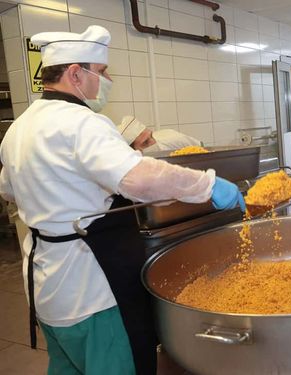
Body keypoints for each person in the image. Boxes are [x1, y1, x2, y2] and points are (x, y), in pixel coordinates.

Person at [0, 26, 244, 375]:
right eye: (100, 72)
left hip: (45, 286)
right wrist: (208, 184)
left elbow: (8, 189)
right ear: (75, 74)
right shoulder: (82, 123)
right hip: (91, 289)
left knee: (67, 365)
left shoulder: (19, 127)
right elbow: (139, 178)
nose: (106, 80)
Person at [118, 116, 202, 152]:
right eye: (145, 143)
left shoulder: (173, 140)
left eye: (151, 136)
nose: (153, 142)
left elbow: (202, 150)